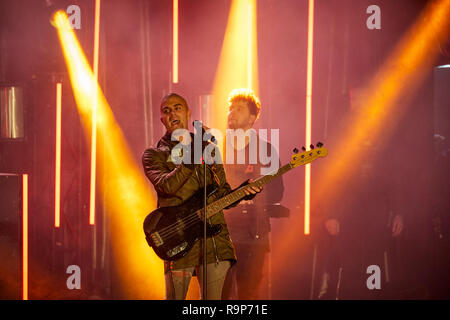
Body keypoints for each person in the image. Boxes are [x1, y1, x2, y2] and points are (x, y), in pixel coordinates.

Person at [142, 93, 261, 300]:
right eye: (166, 111)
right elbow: (167, 185)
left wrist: (241, 192)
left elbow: (221, 193)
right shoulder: (154, 154)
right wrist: (194, 153)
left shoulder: (209, 149)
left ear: (188, 113)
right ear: (162, 119)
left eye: (177, 108)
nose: (172, 114)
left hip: (214, 240)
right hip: (178, 236)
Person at [222, 88, 286, 300]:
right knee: (218, 294)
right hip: (221, 232)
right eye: (231, 108)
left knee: (249, 295)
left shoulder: (266, 150)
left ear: (252, 117)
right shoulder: (218, 149)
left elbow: (278, 192)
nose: (232, 112)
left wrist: (254, 192)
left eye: (239, 109)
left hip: (254, 234)